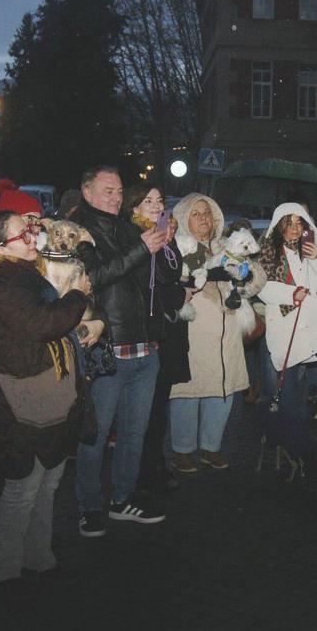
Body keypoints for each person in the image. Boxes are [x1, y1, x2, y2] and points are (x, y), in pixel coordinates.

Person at [0, 211, 102, 600]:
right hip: (21, 397)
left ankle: (40, 561)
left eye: (31, 230)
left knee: (47, 481)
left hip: (45, 392)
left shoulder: (26, 272)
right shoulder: (2, 283)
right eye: (21, 233)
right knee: (22, 486)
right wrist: (78, 295)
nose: (31, 236)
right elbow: (45, 323)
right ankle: (5, 573)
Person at [72, 167, 169, 537]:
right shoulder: (81, 231)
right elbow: (91, 279)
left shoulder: (128, 226)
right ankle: (89, 506)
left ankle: (123, 499)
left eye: (118, 191)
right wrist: (141, 249)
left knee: (134, 432)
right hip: (108, 350)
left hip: (145, 347)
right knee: (95, 436)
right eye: (107, 190)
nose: (115, 197)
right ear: (87, 192)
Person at [169, 194, 266, 472]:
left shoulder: (228, 245)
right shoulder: (177, 247)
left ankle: (212, 446)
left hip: (228, 330)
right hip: (194, 328)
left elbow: (258, 276)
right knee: (189, 390)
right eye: (196, 213)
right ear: (185, 217)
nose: (203, 219)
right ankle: (182, 449)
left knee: (222, 389)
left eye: (207, 213)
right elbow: (173, 279)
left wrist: (245, 280)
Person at [257, 202, 317, 460]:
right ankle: (294, 447)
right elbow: (261, 287)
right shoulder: (268, 252)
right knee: (290, 395)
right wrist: (290, 293)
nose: (294, 228)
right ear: (279, 227)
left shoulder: (313, 250)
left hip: (315, 323)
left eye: (299, 223)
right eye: (289, 223)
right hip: (286, 326)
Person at [121, 183, 189, 492]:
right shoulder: (134, 238)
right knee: (143, 411)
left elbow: (171, 274)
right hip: (145, 334)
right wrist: (181, 293)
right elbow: (163, 286)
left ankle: (154, 462)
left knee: (158, 406)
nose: (155, 204)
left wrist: (168, 242)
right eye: (147, 200)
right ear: (133, 207)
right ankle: (142, 471)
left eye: (159, 200)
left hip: (164, 333)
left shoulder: (162, 236)